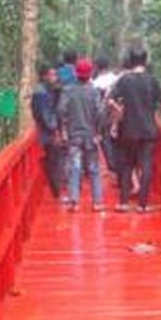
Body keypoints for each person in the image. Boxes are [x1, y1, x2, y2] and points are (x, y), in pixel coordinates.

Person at [108, 46, 161, 213]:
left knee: (128, 164)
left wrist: (119, 112)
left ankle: (123, 203)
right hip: (148, 129)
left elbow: (110, 100)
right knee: (146, 165)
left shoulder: (124, 80)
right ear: (145, 60)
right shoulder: (152, 80)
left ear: (130, 60)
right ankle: (142, 205)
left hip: (129, 129)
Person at [57, 57, 105, 212]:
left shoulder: (68, 90)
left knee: (75, 167)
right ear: (90, 73)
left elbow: (60, 111)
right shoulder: (94, 91)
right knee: (93, 168)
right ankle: (97, 202)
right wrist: (98, 132)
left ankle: (75, 201)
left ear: (76, 73)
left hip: (74, 135)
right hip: (90, 135)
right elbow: (99, 113)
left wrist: (63, 128)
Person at [30, 64, 65, 199]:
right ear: (44, 76)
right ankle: (56, 192)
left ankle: (57, 190)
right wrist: (55, 130)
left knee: (54, 160)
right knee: (53, 162)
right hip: (47, 133)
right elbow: (45, 115)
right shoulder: (41, 93)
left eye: (55, 75)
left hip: (48, 131)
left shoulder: (48, 90)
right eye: (52, 75)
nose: (54, 78)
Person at [91, 55, 120, 176]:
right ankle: (119, 168)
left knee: (105, 141)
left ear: (97, 67)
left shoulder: (95, 83)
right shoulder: (116, 79)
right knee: (117, 141)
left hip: (104, 115)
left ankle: (112, 167)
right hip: (117, 114)